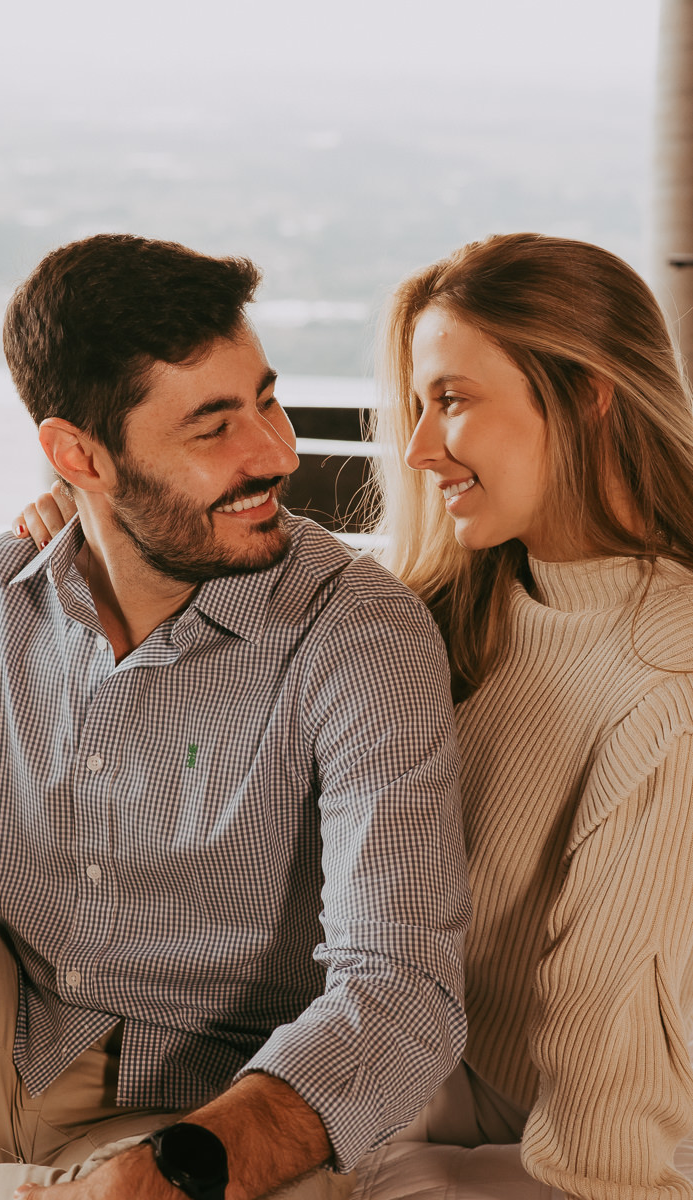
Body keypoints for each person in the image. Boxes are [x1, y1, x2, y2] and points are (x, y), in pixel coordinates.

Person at [0, 234, 471, 1200]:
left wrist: (176, 1171)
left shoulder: (357, 634)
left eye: (268, 400)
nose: (274, 453)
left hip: (218, 1100)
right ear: (78, 453)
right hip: (3, 1046)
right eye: (213, 428)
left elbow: (403, 992)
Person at [358, 231, 693, 1200]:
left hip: (527, 1127)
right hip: (403, 1043)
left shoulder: (667, 688)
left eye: (451, 401)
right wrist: (82, 526)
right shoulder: (481, 598)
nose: (420, 450)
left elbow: (605, 1081)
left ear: (588, 391)